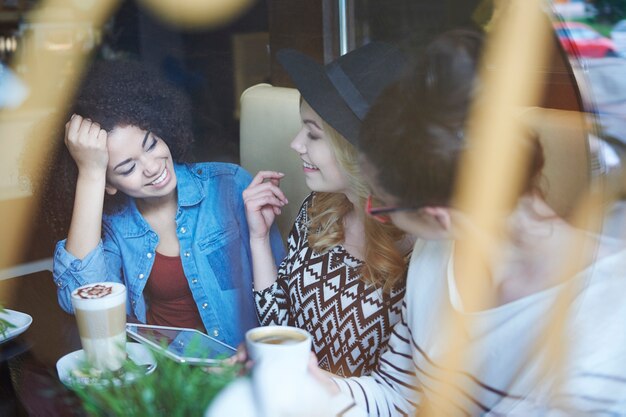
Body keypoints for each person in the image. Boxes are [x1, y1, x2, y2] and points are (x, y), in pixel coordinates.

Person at [315, 29, 626, 415]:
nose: (371, 209)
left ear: (440, 215)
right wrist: (312, 387)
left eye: (383, 203)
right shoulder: (435, 253)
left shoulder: (607, 326)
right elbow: (399, 396)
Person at [25, 60, 285, 347]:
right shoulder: (114, 223)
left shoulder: (230, 184)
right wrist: (90, 173)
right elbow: (83, 301)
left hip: (237, 365)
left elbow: (281, 297)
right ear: (109, 184)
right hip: (165, 369)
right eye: (127, 168)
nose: (152, 167)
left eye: (150, 144)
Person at [242, 42, 413, 377]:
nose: (296, 143)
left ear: (353, 151)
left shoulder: (420, 246)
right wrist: (259, 239)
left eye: (313, 134)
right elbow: (282, 333)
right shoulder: (319, 209)